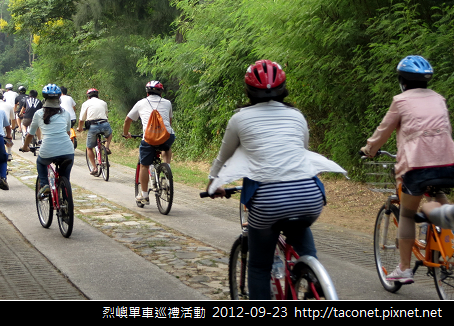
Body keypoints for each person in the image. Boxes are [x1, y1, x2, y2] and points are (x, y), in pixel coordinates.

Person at [205, 60, 346, 300]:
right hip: (309, 194)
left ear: (248, 91)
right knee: (301, 233)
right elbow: (301, 154)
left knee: (259, 266)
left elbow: (223, 158)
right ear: (283, 88)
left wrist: (212, 184)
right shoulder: (297, 116)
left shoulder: (239, 119)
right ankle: (313, 279)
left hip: (269, 199)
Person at [361, 55, 454, 284]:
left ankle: (403, 268)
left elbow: (384, 130)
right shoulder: (439, 99)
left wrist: (369, 149)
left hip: (417, 165)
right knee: (437, 190)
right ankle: (445, 214)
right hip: (449, 162)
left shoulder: (400, 101)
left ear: (401, 80)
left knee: (407, 214)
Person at [123, 80, 175, 204]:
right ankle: (167, 168)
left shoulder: (141, 103)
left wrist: (126, 134)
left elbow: (127, 120)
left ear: (147, 93)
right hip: (167, 135)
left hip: (149, 138)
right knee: (166, 147)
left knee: (144, 165)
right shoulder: (167, 103)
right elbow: (169, 120)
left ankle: (145, 195)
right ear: (161, 93)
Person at [24, 84, 75, 198]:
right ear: (58, 99)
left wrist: (25, 147)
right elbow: (67, 133)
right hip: (68, 150)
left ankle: (44, 184)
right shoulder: (65, 113)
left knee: (41, 163)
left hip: (47, 150)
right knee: (65, 178)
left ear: (44, 99)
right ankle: (66, 204)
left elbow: (30, 134)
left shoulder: (38, 114)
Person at [76, 88, 113, 177]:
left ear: (88, 97)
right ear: (98, 96)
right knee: (109, 134)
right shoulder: (103, 102)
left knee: (89, 148)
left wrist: (80, 128)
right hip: (104, 124)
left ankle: (95, 168)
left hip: (93, 126)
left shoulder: (86, 103)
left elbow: (81, 120)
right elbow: (106, 115)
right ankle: (107, 147)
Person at [0, 88, 16, 160]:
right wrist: (12, 127)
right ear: (3, 97)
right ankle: (9, 152)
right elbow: (13, 119)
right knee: (9, 135)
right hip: (5, 128)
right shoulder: (8, 105)